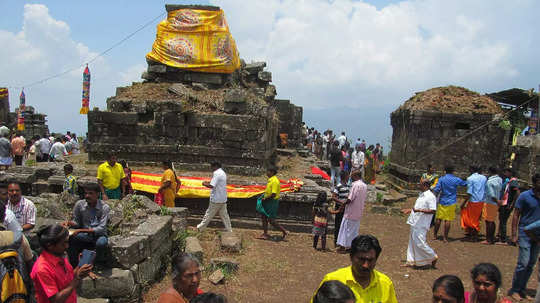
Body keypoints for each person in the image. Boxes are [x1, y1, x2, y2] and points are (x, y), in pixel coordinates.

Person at [312, 235, 397, 303]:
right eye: (361, 259)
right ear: (351, 257)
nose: (365, 265)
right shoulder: (333, 280)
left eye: (370, 260)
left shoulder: (385, 284)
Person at [31, 224, 92, 303]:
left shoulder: (60, 256)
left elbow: (68, 280)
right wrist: (77, 278)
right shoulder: (42, 269)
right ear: (50, 246)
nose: (67, 246)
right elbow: (56, 299)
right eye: (64, 243)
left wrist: (79, 267)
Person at [508, 173, 540, 301]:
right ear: (534, 182)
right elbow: (516, 215)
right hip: (524, 233)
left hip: (537, 235)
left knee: (531, 263)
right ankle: (514, 289)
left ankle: (522, 288)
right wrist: (514, 234)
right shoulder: (525, 196)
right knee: (523, 262)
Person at [63, 184, 110, 268]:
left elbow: (101, 229)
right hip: (85, 235)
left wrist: (81, 231)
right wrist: (69, 223)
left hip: (98, 235)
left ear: (97, 194)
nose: (87, 196)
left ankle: (99, 262)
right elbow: (77, 222)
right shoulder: (80, 205)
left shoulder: (104, 207)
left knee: (101, 243)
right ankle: (74, 264)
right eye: (86, 193)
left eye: (91, 193)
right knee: (70, 238)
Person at [402, 180, 438, 268]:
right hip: (415, 221)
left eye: (420, 185)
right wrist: (410, 210)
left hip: (422, 223)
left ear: (425, 185)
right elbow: (418, 208)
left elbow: (433, 210)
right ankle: (411, 261)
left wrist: (418, 210)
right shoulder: (422, 195)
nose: (418, 186)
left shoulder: (430, 196)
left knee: (420, 242)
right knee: (412, 242)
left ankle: (433, 256)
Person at [433, 166, 467, 243]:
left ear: (445, 171)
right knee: (448, 220)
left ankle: (435, 235)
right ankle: (445, 237)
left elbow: (436, 189)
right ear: (453, 171)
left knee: (438, 219)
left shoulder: (441, 179)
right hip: (451, 202)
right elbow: (464, 184)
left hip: (442, 201)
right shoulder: (456, 179)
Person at [335, 170, 367, 254]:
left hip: (351, 211)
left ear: (356, 176)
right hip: (358, 211)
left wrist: (343, 205)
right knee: (354, 231)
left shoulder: (355, 185)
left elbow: (350, 198)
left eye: (352, 176)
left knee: (346, 229)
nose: (350, 178)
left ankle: (343, 247)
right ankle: (351, 247)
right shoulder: (364, 186)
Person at [197, 162, 232, 232]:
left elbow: (212, 185)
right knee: (225, 216)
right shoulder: (222, 173)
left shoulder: (216, 173)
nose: (211, 169)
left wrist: (204, 184)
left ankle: (200, 227)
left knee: (209, 214)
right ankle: (229, 230)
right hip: (222, 198)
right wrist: (208, 182)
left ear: (215, 166)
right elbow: (215, 183)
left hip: (216, 199)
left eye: (212, 167)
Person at [255, 167, 288, 240]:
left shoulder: (275, 181)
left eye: (268, 171)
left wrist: (265, 199)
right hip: (267, 201)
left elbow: (273, 194)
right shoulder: (271, 180)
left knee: (271, 220)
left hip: (271, 202)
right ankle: (265, 233)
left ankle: (283, 231)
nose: (267, 173)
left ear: (272, 172)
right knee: (263, 217)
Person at [460, 166, 487, 242]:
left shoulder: (470, 178)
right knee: (477, 218)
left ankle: (473, 236)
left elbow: (469, 192)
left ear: (471, 170)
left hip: (473, 201)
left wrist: (463, 203)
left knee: (471, 219)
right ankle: (474, 234)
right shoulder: (484, 178)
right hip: (481, 201)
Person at [497, 168, 519, 245]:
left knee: (503, 220)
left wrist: (512, 204)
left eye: (506, 172)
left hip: (507, 204)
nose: (504, 173)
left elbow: (517, 193)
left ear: (510, 173)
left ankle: (503, 239)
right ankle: (501, 236)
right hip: (504, 203)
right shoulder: (509, 181)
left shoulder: (513, 182)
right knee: (502, 219)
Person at [482, 167, 502, 245]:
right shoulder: (499, 179)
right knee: (492, 220)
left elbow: (491, 194)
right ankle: (491, 237)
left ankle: (488, 239)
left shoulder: (489, 182)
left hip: (490, 202)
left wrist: (497, 201)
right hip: (495, 203)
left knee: (488, 221)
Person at [332, 171, 350, 247]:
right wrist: (342, 202)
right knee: (338, 225)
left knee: (344, 225)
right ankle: (336, 241)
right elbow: (333, 197)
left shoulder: (347, 186)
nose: (348, 177)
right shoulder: (339, 186)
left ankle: (341, 241)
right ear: (344, 176)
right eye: (347, 175)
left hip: (345, 208)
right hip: (339, 208)